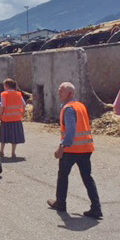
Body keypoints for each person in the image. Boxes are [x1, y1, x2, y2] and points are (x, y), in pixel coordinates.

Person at [47, 82, 102, 219]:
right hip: (86, 148)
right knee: (87, 177)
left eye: (62, 91)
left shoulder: (69, 109)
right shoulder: (80, 106)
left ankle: (61, 204)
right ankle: (96, 208)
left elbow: (71, 131)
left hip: (72, 149)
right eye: (59, 90)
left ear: (70, 93)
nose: (59, 93)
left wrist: (62, 147)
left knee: (63, 176)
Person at [0, 78, 26, 159]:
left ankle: (1, 151)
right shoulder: (18, 94)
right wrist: (22, 114)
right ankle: (13, 152)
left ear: (6, 86)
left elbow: (2, 106)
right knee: (14, 136)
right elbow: (24, 104)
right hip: (16, 118)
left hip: (6, 118)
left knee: (4, 136)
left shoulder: (4, 94)